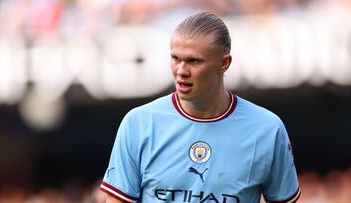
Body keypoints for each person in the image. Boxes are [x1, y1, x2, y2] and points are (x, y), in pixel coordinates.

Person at [100, 12, 300, 203]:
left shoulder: (267, 129)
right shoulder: (138, 123)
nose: (181, 71)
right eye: (175, 58)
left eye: (193, 61)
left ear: (224, 63)